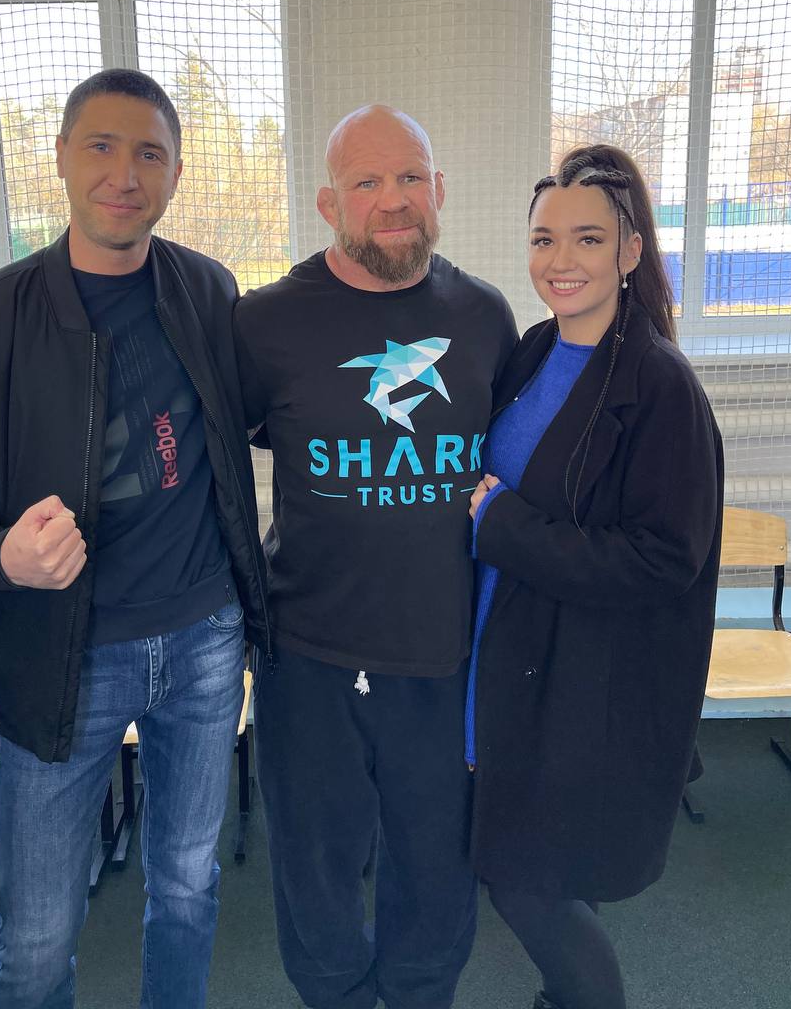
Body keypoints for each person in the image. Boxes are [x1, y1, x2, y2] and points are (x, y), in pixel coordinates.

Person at [0, 69, 270, 1009]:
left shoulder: (207, 289)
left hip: (205, 643)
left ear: (175, 172)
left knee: (188, 888)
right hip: (60, 657)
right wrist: (0, 557)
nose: (124, 174)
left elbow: (253, 418)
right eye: (101, 146)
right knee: (36, 937)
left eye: (150, 154)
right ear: (60, 157)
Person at [233, 104, 517, 1009]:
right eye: (367, 181)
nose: (393, 199)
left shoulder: (485, 317)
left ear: (439, 190)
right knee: (313, 862)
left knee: (437, 865)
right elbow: (211, 455)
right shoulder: (264, 324)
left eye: (409, 178)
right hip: (307, 653)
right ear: (329, 204)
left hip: (442, 650)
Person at [465, 143, 723, 1009]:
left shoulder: (660, 386)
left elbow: (664, 559)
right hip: (501, 651)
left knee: (527, 885)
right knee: (528, 868)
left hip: (581, 680)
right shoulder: (533, 351)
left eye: (587, 238)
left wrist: (505, 527)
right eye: (544, 239)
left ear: (630, 250)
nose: (560, 260)